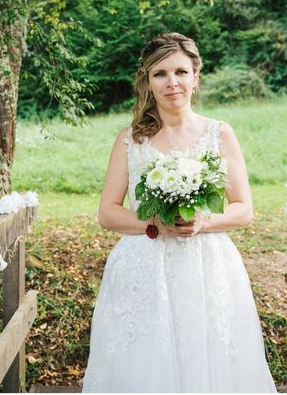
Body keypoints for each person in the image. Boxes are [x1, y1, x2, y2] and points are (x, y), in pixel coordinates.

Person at [82, 32, 276, 392]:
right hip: (143, 269)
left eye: (181, 72)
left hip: (208, 268)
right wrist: (152, 223)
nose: (172, 83)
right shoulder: (130, 140)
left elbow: (244, 209)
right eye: (160, 74)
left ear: (195, 77)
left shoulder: (219, 134)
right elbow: (108, 213)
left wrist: (204, 221)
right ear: (148, 81)